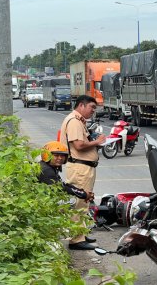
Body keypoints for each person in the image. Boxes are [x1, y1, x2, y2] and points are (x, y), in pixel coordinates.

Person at [60, 95, 106, 250]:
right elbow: (79, 145)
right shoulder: (74, 121)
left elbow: (82, 144)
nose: (93, 111)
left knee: (84, 203)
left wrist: (94, 145)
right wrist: (97, 142)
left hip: (83, 167)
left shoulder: (79, 121)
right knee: (80, 203)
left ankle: (81, 234)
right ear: (81, 105)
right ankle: (76, 240)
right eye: (91, 107)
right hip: (80, 168)